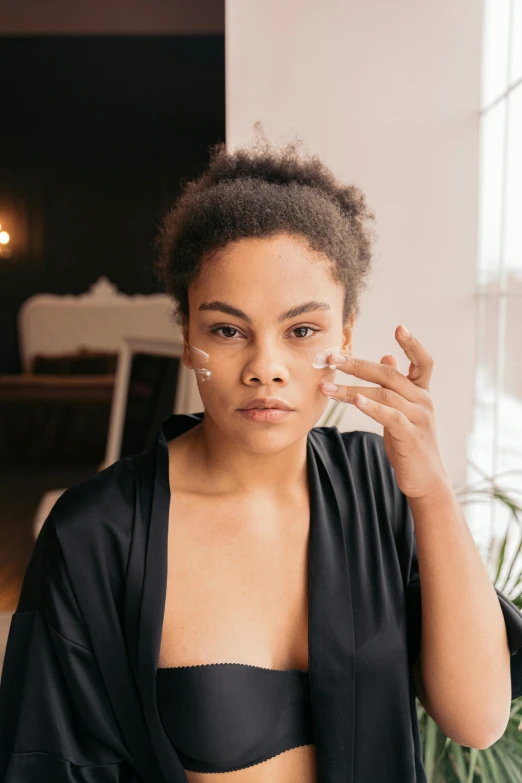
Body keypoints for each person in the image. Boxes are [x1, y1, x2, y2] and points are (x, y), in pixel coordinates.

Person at [1, 130, 522, 783]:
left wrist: (431, 490)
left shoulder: (380, 486)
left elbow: (478, 720)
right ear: (188, 336)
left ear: (347, 333)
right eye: (227, 329)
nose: (265, 368)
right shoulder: (96, 536)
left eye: (302, 330)